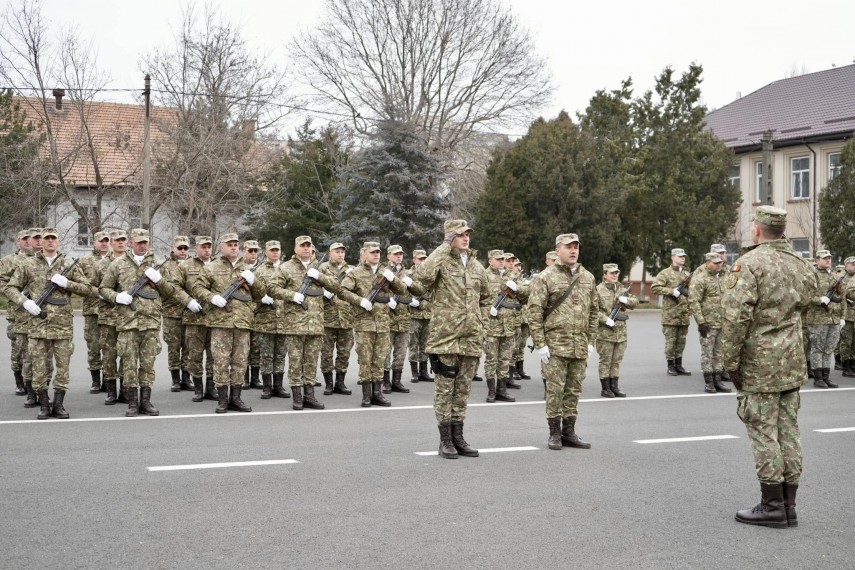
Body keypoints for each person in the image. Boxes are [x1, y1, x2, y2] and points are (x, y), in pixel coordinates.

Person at [720, 205, 816, 529]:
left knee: (763, 432)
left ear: (758, 230)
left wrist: (730, 362)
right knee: (788, 431)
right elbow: (810, 303)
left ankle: (771, 505)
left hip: (760, 365)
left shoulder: (749, 264)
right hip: (791, 361)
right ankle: (789, 505)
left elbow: (735, 320)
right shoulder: (801, 264)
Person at [408, 221, 492, 459]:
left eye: (468, 234)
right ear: (449, 237)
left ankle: (458, 436)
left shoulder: (476, 266)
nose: (466, 238)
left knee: (463, 390)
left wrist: (482, 323)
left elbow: (486, 297)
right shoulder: (441, 261)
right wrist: (444, 247)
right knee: (445, 390)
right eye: (460, 235)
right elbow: (422, 277)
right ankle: (445, 439)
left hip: (471, 338)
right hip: (446, 337)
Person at [6, 228, 95, 419]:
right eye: (46, 239)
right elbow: (10, 287)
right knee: (39, 367)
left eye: (53, 238)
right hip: (37, 326)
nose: (50, 242)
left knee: (63, 367)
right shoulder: (28, 264)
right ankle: (44, 405)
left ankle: (59, 404)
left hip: (63, 326)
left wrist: (67, 284)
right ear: (41, 242)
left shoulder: (68, 263)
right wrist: (25, 302)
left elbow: (87, 289)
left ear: (59, 242)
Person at [100, 228, 187, 417]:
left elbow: (172, 291)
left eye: (145, 242)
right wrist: (117, 297)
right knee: (129, 364)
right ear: (131, 243)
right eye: (138, 242)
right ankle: (132, 402)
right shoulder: (118, 264)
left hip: (151, 323)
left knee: (148, 364)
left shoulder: (158, 264)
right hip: (127, 322)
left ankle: (146, 402)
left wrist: (160, 281)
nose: (142, 245)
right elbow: (104, 288)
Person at [527, 233, 597, 451]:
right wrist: (540, 344)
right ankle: (554, 433)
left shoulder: (588, 277)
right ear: (557, 250)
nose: (573, 250)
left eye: (576, 246)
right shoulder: (545, 277)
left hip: (579, 346)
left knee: (574, 390)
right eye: (568, 247)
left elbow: (594, 310)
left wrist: (591, 340)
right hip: (555, 346)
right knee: (555, 392)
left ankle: (569, 432)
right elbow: (534, 312)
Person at [267, 236, 342, 410]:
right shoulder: (286, 267)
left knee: (311, 361)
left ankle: (310, 396)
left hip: (315, 324)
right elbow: (271, 288)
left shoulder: (321, 268)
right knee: (295, 361)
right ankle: (297, 397)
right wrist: (291, 295)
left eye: (309, 246)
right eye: (302, 246)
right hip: (294, 324)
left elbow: (337, 287)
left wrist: (320, 277)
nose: (306, 249)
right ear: (295, 249)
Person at [192, 233, 264, 413]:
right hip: (221, 322)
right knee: (221, 361)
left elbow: (260, 294)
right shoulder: (212, 267)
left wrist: (254, 282)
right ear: (221, 247)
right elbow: (197, 287)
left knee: (240, 361)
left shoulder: (247, 268)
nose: (233, 247)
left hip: (243, 323)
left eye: (235, 244)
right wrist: (212, 297)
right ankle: (223, 399)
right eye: (229, 244)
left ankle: (236, 398)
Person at [338, 241, 408, 408]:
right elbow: (342, 291)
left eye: (378, 252)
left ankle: (378, 393)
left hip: (383, 323)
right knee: (365, 360)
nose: (376, 255)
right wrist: (360, 300)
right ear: (365, 255)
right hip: (364, 323)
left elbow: (403, 291)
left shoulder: (387, 272)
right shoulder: (356, 273)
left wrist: (394, 280)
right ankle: (366, 395)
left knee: (380, 359)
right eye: (373, 252)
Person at [170, 235, 216, 402]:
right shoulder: (186, 266)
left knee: (214, 356)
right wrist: (187, 301)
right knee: (194, 355)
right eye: (203, 247)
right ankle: (198, 388)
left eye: (209, 246)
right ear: (196, 248)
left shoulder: (218, 265)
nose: (206, 249)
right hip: (194, 318)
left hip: (215, 318)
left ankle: (211, 387)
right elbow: (174, 286)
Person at [688, 253, 731, 394]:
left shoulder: (722, 278)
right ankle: (709, 382)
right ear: (707, 263)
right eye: (716, 263)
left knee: (719, 353)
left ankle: (718, 380)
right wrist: (701, 322)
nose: (719, 265)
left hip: (722, 322)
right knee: (707, 353)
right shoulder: (700, 279)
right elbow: (694, 302)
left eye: (720, 262)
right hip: (708, 323)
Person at [481, 249, 519, 403]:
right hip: (491, 325)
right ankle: (491, 391)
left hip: (508, 325)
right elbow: (477, 298)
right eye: (498, 259)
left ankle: (501, 390)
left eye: (503, 259)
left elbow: (521, 299)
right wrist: (487, 310)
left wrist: (518, 289)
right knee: (491, 359)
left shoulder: (512, 277)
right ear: (490, 261)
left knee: (505, 359)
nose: (501, 261)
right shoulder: (484, 276)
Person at [252, 240, 290, 399]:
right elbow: (251, 294)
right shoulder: (259, 271)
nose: (275, 253)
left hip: (284, 318)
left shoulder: (287, 269)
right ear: (266, 252)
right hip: (266, 319)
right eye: (272, 250)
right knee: (266, 354)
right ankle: (267, 387)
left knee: (280, 354)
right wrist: (261, 299)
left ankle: (278, 386)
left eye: (277, 250)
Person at [595, 264, 638, 398]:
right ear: (605, 274)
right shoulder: (598, 290)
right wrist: (605, 319)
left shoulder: (622, 288)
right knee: (605, 361)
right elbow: (592, 310)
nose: (615, 275)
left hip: (620, 333)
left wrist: (626, 300)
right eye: (612, 273)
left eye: (616, 273)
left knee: (616, 361)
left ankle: (614, 386)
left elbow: (635, 302)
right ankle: (605, 388)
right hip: (605, 333)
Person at [95, 230, 127, 404]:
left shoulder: (131, 263)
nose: (120, 243)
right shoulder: (101, 265)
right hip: (107, 316)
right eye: (117, 240)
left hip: (127, 317)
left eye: (123, 240)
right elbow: (91, 287)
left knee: (126, 354)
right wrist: (107, 295)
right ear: (111, 243)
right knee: (108, 355)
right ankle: (111, 391)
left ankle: (124, 389)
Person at [803, 250, 844, 388]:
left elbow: (840, 296)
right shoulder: (811, 275)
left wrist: (841, 316)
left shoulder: (832, 275)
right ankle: (818, 378)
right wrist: (819, 299)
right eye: (825, 258)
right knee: (817, 349)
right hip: (817, 319)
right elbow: (805, 296)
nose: (828, 260)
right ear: (817, 260)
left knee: (828, 350)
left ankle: (826, 377)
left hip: (833, 319)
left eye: (829, 258)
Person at [318, 242, 354, 395]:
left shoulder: (351, 270)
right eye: (337, 251)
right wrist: (322, 292)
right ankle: (328, 383)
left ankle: (340, 382)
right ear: (330, 253)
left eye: (342, 252)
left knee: (344, 352)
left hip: (346, 317)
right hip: (328, 317)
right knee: (326, 352)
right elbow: (312, 287)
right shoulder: (322, 268)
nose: (340, 254)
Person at [0, 229, 32, 397]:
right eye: (24, 239)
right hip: (17, 312)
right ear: (18, 242)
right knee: (18, 350)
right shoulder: (8, 261)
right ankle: (19, 382)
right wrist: (18, 295)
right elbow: (2, 283)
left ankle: (33, 383)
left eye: (30, 239)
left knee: (35, 351)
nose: (28, 241)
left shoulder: (38, 259)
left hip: (37, 313)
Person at [651, 248, 693, 376]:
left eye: (684, 256)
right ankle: (671, 365)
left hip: (683, 314)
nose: (682, 258)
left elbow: (692, 292)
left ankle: (679, 365)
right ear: (673, 257)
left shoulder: (686, 274)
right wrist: (671, 291)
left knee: (681, 341)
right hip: (670, 315)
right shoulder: (665, 273)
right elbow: (655, 287)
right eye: (680, 256)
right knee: (671, 342)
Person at [78, 231, 111, 393]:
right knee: (93, 346)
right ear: (94, 242)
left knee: (110, 347)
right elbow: (80, 284)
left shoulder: (115, 260)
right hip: (92, 310)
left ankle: (108, 379)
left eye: (106, 241)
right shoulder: (85, 261)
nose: (104, 244)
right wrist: (97, 292)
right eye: (101, 241)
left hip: (111, 311)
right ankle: (95, 380)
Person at [382, 244, 416, 394]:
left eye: (401, 254)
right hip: (388, 318)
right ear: (388, 255)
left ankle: (397, 381)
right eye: (395, 254)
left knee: (401, 352)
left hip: (404, 317)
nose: (398, 256)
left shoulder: (407, 273)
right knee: (385, 351)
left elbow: (413, 291)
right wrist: (388, 299)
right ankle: (385, 382)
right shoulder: (383, 272)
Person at [161, 235, 193, 392]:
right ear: (173, 248)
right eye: (179, 248)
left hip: (190, 312)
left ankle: (186, 378)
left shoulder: (193, 265)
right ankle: (175, 379)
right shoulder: (165, 266)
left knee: (188, 347)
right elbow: (162, 288)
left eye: (185, 248)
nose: (182, 251)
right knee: (173, 347)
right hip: (171, 312)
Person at [407, 249, 434, 383]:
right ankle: (414, 372)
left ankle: (424, 371)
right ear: (414, 260)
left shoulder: (430, 276)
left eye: (424, 259)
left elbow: (434, 294)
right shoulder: (409, 275)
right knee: (413, 343)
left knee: (425, 344)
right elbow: (403, 292)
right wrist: (411, 300)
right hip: (413, 315)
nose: (422, 261)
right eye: (420, 259)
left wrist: (426, 302)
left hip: (427, 315)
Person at [240, 240, 264, 390]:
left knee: (256, 347)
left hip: (259, 312)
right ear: (244, 251)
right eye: (250, 251)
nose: (253, 254)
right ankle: (244, 378)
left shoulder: (262, 268)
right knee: (243, 347)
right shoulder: (238, 267)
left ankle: (255, 378)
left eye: (256, 251)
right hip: (242, 311)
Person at [841, 256, 855, 378]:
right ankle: (845, 366)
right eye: (853, 264)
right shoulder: (842, 278)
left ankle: (852, 364)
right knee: (846, 341)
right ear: (846, 266)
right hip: (847, 314)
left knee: (853, 342)